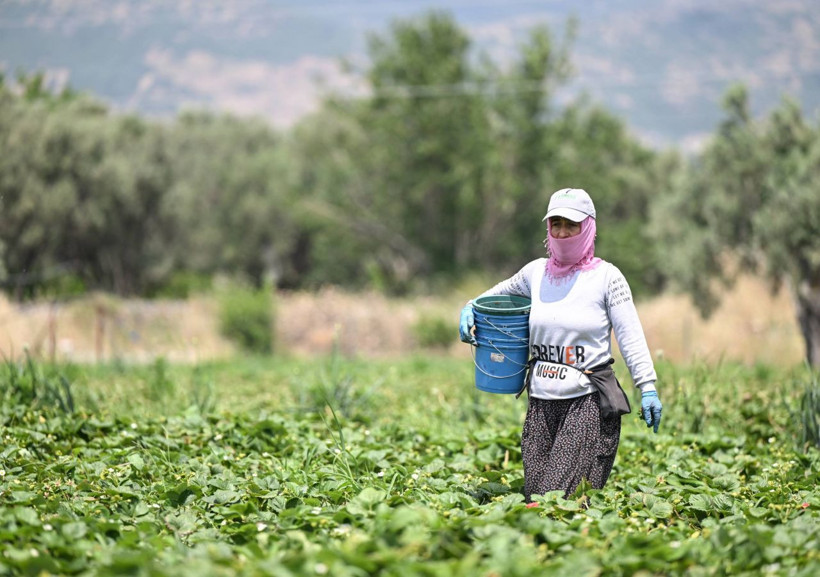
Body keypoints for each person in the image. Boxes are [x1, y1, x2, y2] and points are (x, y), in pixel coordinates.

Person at [459, 187, 662, 502]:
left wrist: (647, 386)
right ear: (548, 228)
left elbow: (630, 334)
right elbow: (496, 296)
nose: (563, 232)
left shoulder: (608, 278)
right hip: (540, 402)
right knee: (537, 494)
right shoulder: (534, 273)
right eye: (556, 224)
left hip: (586, 402)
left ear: (589, 227)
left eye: (572, 224)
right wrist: (472, 306)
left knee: (554, 499)